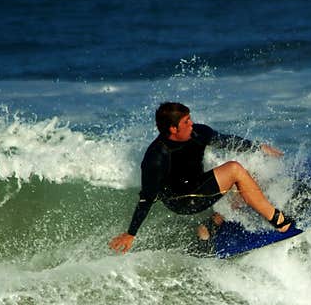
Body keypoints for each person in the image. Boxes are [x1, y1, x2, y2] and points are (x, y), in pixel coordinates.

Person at [108, 102, 293, 254]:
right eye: (186, 122)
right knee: (235, 170)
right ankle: (279, 221)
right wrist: (131, 233)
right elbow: (146, 198)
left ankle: (209, 227)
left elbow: (225, 140)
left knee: (248, 175)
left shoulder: (198, 133)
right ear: (173, 128)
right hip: (181, 200)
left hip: (198, 186)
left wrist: (257, 147)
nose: (191, 124)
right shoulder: (156, 157)